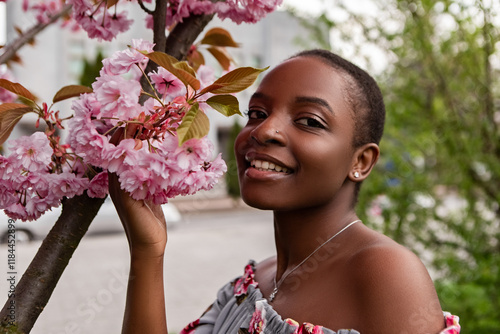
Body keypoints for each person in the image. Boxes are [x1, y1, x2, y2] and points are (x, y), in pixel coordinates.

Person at [109, 49, 461, 334]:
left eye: (309, 121)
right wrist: (147, 251)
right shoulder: (249, 286)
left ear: (361, 161)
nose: (264, 131)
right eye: (257, 112)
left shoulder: (384, 271)